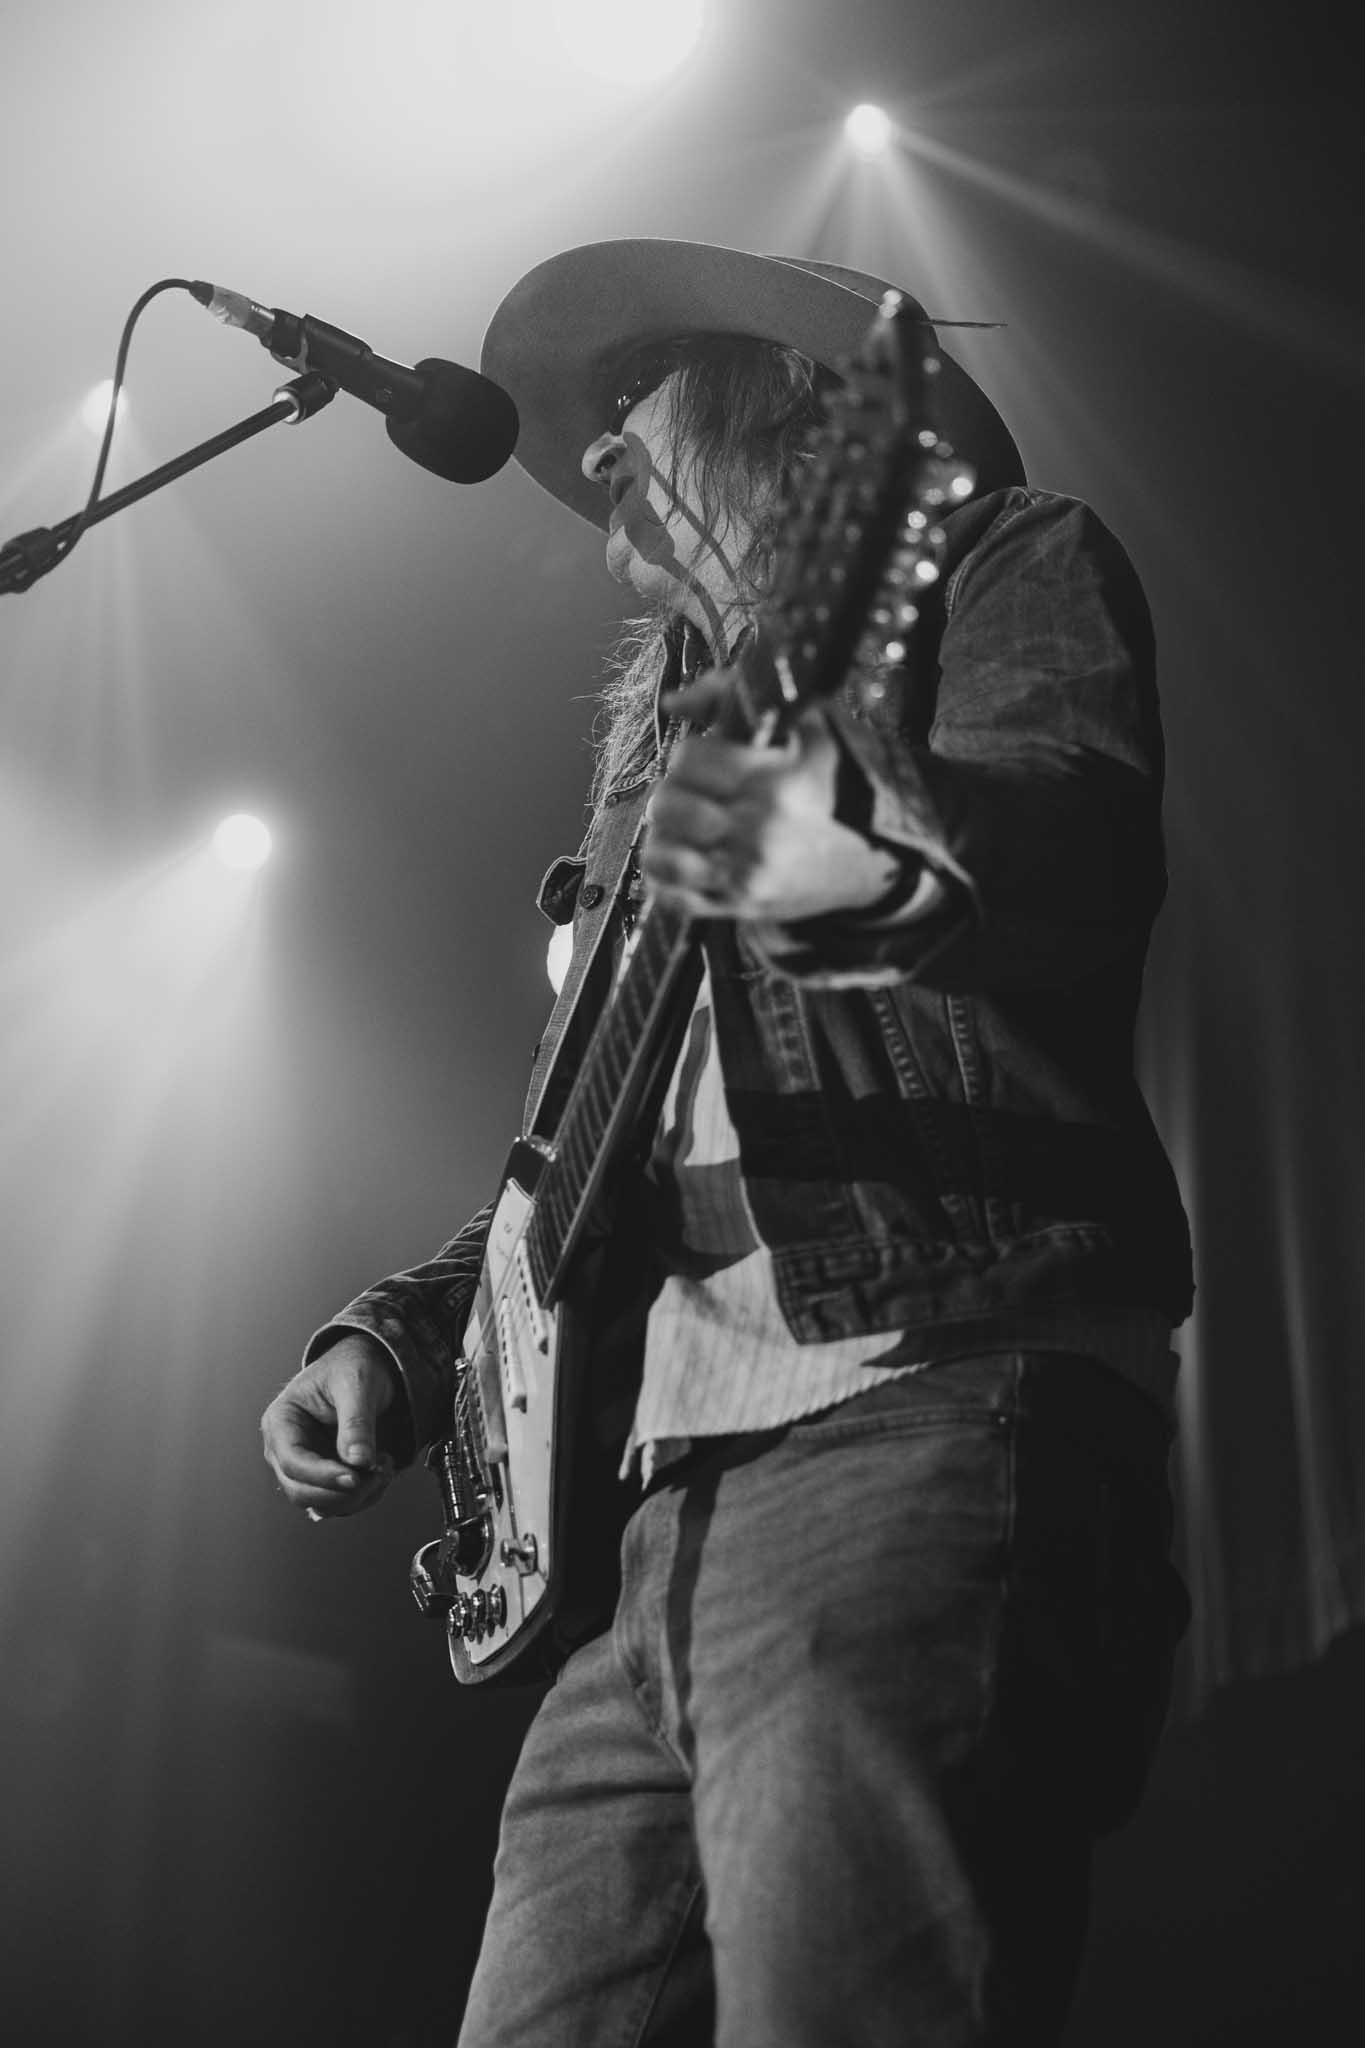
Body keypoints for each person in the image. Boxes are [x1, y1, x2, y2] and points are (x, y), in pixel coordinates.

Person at [261, 238, 1194, 2046]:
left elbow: (1071, 860)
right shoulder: (643, 793)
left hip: (916, 1410)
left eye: (637, 398)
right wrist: (407, 1336)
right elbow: (571, 1171)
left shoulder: (1000, 561)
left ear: (785, 406)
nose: (595, 446)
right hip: (650, 1525)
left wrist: (834, 826)